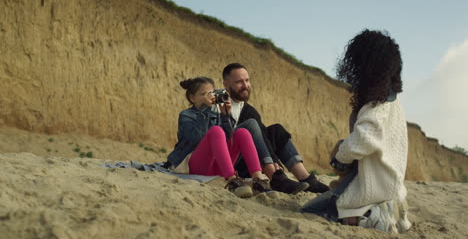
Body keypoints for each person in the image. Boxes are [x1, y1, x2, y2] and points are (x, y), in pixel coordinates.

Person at [305, 29, 411, 233]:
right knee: (326, 203)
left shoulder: (376, 106)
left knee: (314, 211)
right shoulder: (391, 100)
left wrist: (340, 157)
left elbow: (364, 139)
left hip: (376, 184)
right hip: (387, 182)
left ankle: (374, 215)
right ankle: (385, 208)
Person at [222, 63, 330, 194]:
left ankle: (306, 178)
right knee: (251, 125)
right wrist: (223, 113)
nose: (245, 86)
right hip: (232, 161)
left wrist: (274, 160)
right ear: (226, 84)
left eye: (247, 80)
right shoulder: (217, 105)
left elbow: (261, 135)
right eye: (239, 82)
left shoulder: (249, 110)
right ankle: (275, 177)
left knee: (276, 130)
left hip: (253, 159)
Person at [165, 77, 270, 198]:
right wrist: (204, 110)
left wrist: (226, 115)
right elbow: (196, 139)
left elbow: (228, 140)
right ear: (193, 98)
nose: (210, 97)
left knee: (242, 132)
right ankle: (232, 182)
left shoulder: (216, 115)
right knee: (216, 131)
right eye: (204, 94)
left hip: (217, 167)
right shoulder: (186, 115)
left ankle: (258, 181)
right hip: (194, 165)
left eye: (211, 93)